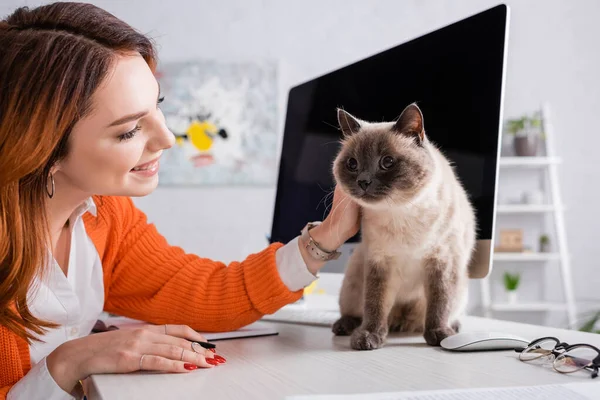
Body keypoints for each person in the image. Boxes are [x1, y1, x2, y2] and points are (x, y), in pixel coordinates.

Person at [0, 3, 360, 399]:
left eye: (158, 105)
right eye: (129, 131)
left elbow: (208, 293)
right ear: (42, 148)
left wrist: (328, 235)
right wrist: (68, 363)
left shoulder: (105, 214)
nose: (168, 139)